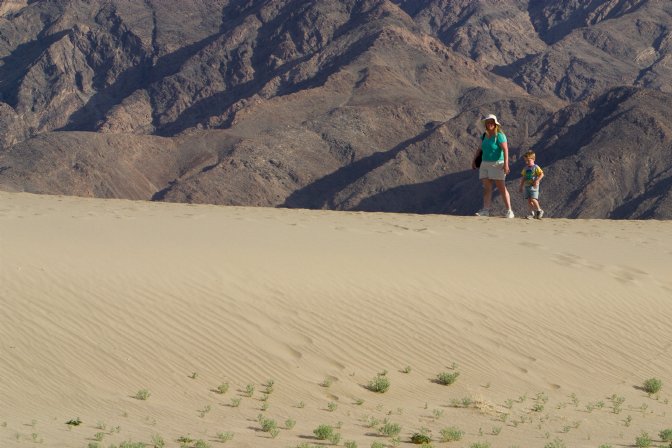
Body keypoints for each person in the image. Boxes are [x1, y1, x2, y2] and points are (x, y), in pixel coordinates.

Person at [471, 114, 514, 218]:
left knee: (501, 188)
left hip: (497, 164)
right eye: (488, 122)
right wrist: (474, 160)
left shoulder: (499, 135)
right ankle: (486, 210)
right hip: (485, 163)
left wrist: (506, 164)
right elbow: (480, 148)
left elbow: (505, 150)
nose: (489, 124)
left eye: (491, 122)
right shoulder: (485, 135)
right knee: (487, 188)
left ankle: (509, 210)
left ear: (495, 124)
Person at [518, 150, 545, 219]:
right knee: (529, 200)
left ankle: (539, 210)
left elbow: (541, 174)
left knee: (533, 198)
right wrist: (521, 186)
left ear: (533, 159)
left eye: (528, 160)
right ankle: (531, 213)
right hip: (527, 186)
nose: (527, 162)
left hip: (533, 186)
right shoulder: (525, 168)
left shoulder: (536, 167)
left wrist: (537, 180)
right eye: (526, 161)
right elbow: (524, 177)